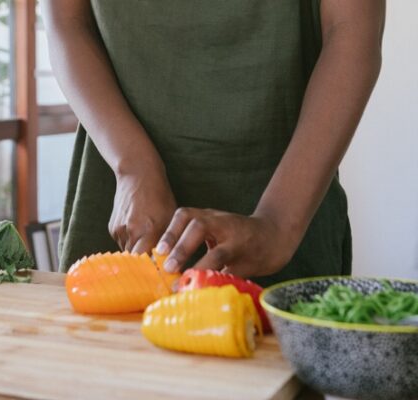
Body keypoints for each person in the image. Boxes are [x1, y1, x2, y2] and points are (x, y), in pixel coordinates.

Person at [42, 0, 385, 286]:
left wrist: (279, 222)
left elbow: (350, 32)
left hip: (289, 196)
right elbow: (67, 21)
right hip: (122, 192)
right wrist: (132, 165)